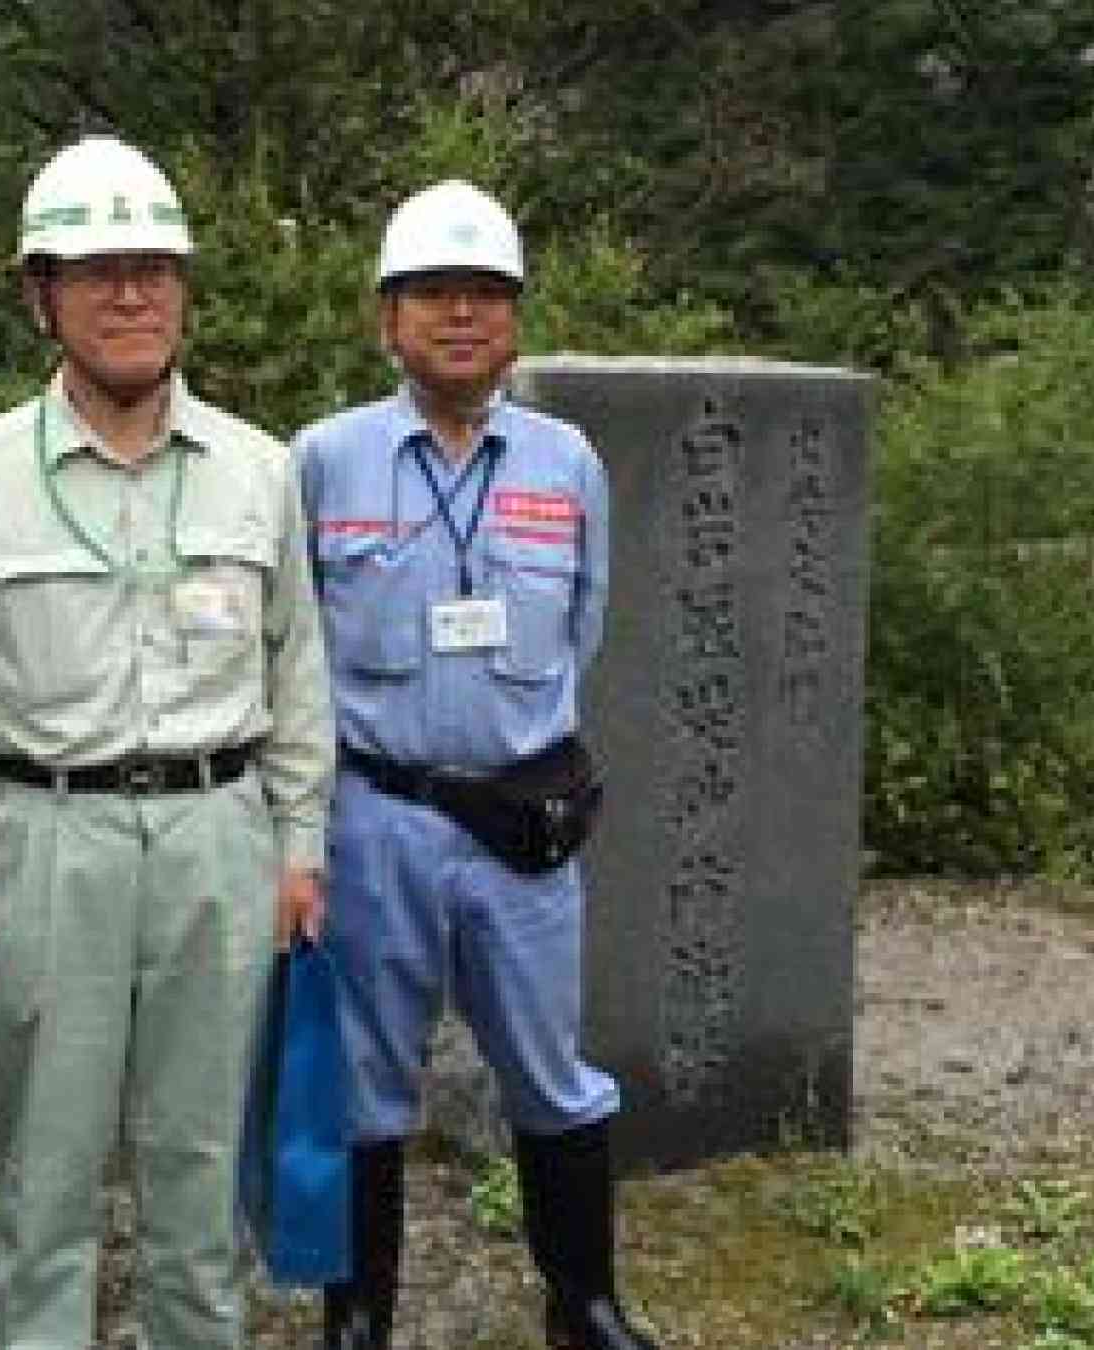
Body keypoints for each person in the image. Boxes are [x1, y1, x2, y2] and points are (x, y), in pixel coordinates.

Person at [0, 135, 333, 1350]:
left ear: (186, 287)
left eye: (153, 267)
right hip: (46, 842)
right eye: (95, 271)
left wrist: (300, 841)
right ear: (43, 296)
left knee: (199, 1175)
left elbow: (297, 669)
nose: (130, 293)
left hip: (221, 839)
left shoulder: (261, 470)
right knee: (44, 1178)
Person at [295, 181, 660, 1350]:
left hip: (519, 829)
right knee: (364, 1085)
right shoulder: (323, 461)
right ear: (386, 318)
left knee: (555, 1076)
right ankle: (357, 1318)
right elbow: (289, 645)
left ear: (514, 320)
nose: (462, 315)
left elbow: (584, 629)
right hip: (376, 819)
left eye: (487, 295)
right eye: (433, 295)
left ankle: (584, 1304)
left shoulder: (569, 462)